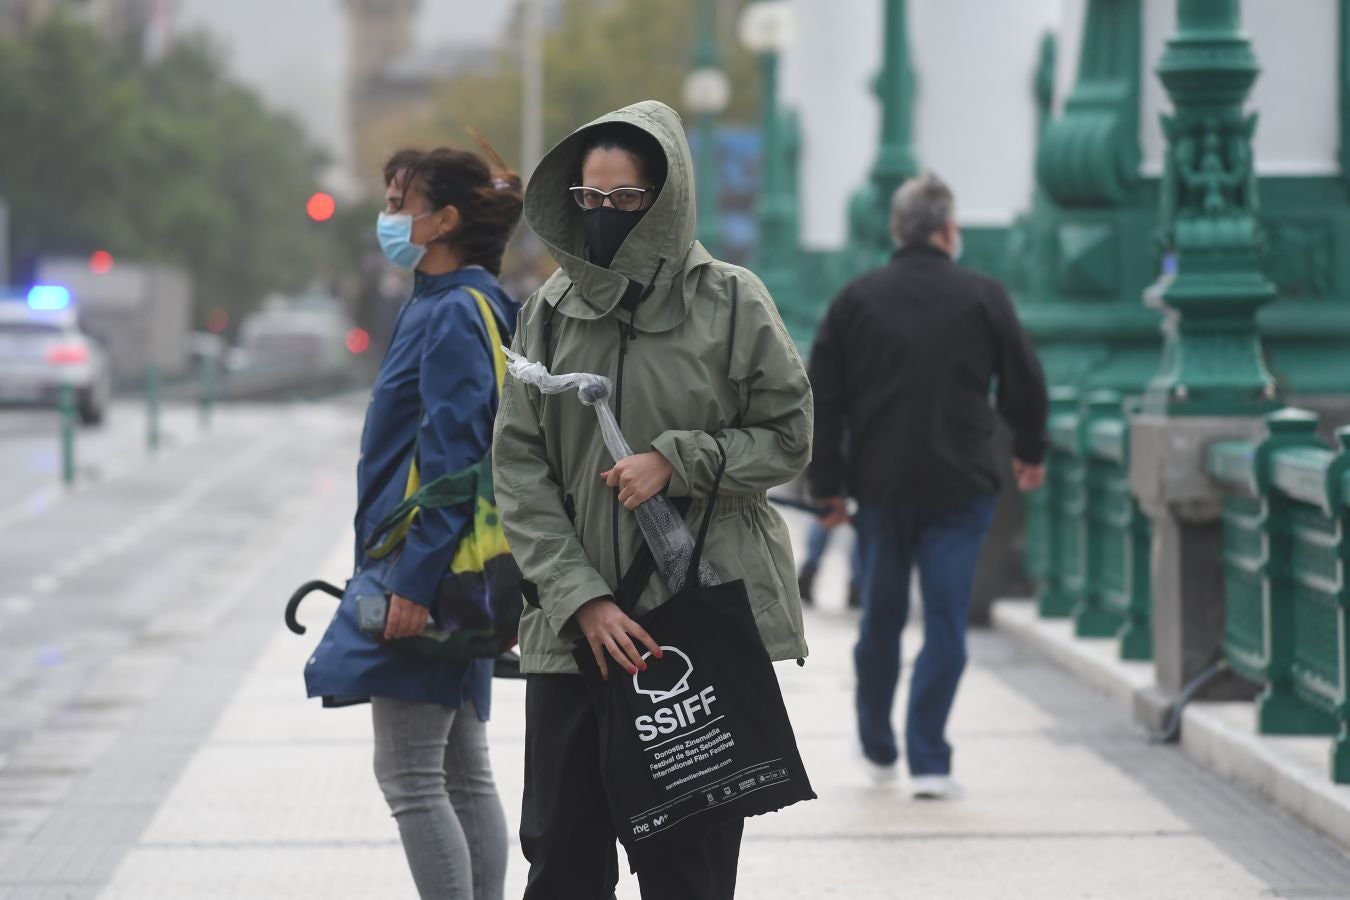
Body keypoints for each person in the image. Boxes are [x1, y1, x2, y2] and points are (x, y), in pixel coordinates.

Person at [492, 100, 812, 900]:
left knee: (690, 872)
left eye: (624, 200)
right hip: (574, 638)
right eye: (590, 200)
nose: (604, 216)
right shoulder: (549, 312)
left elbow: (788, 436)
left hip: (689, 627)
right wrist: (581, 600)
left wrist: (680, 461)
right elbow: (519, 468)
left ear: (663, 201)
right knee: (562, 860)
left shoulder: (732, 303)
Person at [304, 145, 522, 899]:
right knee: (461, 772)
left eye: (401, 203)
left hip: (429, 570)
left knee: (410, 775)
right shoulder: (460, 302)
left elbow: (456, 461)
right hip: (448, 567)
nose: (389, 218)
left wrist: (415, 582)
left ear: (445, 221)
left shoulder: (457, 311)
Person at [807, 172, 1048, 798]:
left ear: (896, 230)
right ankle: (930, 760)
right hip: (960, 487)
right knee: (945, 623)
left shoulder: (855, 299)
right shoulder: (983, 294)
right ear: (947, 229)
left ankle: (878, 748)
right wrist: (1030, 450)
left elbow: (822, 400)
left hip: (880, 487)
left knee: (879, 623)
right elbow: (1025, 381)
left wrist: (827, 487)